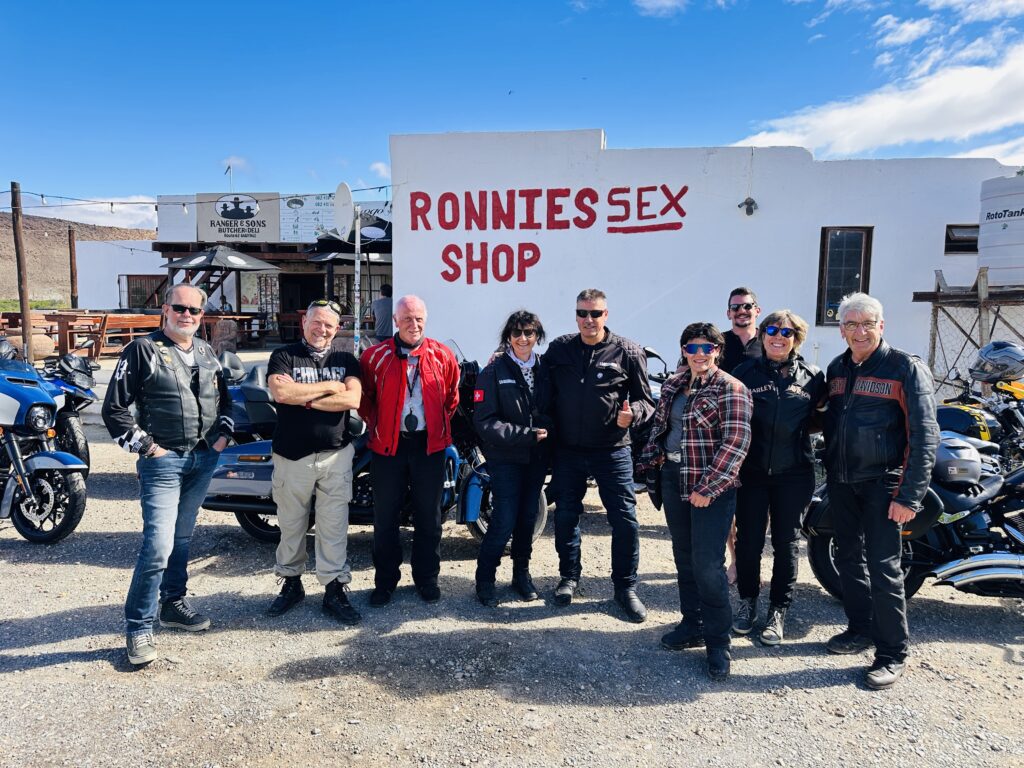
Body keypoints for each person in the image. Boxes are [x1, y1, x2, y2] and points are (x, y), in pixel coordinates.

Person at [102, 283, 233, 666]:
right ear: (165, 309)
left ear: (202, 316)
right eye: (180, 308)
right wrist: (148, 448)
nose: (186, 315)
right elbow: (114, 409)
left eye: (194, 310)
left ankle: (173, 603)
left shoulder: (207, 351)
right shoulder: (142, 349)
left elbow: (226, 400)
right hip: (162, 462)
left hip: (203, 458)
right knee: (158, 545)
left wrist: (222, 438)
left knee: (181, 538)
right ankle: (138, 626)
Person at [822, 293, 938, 690]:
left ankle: (892, 653)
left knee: (884, 567)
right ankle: (860, 629)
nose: (860, 331)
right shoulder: (837, 369)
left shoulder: (906, 368)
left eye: (867, 323)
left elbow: (925, 436)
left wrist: (909, 496)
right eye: (851, 324)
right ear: (841, 330)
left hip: (884, 484)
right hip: (842, 481)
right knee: (848, 559)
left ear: (881, 326)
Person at [639, 322, 752, 679]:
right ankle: (693, 624)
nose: (699, 355)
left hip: (710, 486)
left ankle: (719, 642)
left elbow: (736, 443)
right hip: (673, 478)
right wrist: (652, 459)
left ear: (718, 351)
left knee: (707, 564)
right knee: (684, 558)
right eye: (692, 348)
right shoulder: (674, 384)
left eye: (707, 348)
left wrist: (708, 487)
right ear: (683, 351)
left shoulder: (731, 388)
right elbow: (662, 427)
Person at [545, 289, 654, 622]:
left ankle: (625, 587)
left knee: (624, 519)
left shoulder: (628, 351)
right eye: (582, 313)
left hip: (612, 450)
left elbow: (647, 401)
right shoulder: (559, 349)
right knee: (566, 515)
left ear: (606, 315)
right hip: (569, 450)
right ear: (575, 315)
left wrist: (633, 414)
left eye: (595, 313)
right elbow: (541, 387)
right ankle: (569, 577)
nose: (588, 320)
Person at [264, 299, 363, 624]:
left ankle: (334, 590)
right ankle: (291, 584)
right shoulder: (284, 355)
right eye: (316, 322)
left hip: (336, 455)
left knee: (334, 526)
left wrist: (304, 397)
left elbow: (352, 398)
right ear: (304, 321)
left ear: (338, 329)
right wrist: (329, 388)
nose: (322, 329)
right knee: (291, 525)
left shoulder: (346, 359)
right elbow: (281, 394)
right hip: (291, 456)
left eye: (329, 325)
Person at [731, 310, 826, 645]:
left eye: (787, 332)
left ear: (796, 338)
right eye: (772, 330)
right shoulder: (743, 372)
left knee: (786, 544)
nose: (778, 337)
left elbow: (820, 419)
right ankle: (747, 602)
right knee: (749, 542)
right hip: (752, 472)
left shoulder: (813, 377)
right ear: (762, 334)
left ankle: (778, 610)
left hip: (794, 473)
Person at [358, 295, 460, 606]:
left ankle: (427, 579)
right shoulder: (374, 357)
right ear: (395, 321)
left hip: (429, 446)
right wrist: (381, 426)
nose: (413, 324)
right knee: (385, 517)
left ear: (425, 320)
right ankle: (385, 582)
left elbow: (451, 399)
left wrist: (435, 427)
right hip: (389, 447)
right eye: (406, 319)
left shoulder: (442, 355)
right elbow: (364, 398)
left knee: (429, 516)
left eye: (418, 319)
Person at [472, 310, 554, 606]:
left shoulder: (546, 368)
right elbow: (484, 421)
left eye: (529, 332)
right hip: (505, 457)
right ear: (508, 336)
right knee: (504, 518)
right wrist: (525, 434)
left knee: (527, 518)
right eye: (516, 332)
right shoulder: (493, 371)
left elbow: (555, 408)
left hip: (537, 457)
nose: (522, 338)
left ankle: (521, 575)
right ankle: (485, 579)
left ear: (537, 336)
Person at [719, 287, 762, 374]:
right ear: (728, 314)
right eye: (735, 307)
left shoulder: (770, 340)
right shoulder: (718, 342)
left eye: (747, 306)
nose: (742, 311)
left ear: (757, 311)